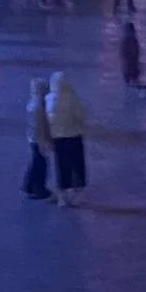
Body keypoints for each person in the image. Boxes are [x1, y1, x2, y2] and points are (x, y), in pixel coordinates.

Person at [45, 71, 88, 204]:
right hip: (74, 135)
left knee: (62, 165)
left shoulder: (49, 98)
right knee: (76, 163)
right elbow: (80, 115)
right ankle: (74, 191)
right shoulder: (72, 98)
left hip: (58, 138)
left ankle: (62, 193)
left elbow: (47, 119)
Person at [23, 78, 54, 200]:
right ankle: (39, 188)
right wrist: (46, 141)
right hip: (38, 139)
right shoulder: (39, 106)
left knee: (35, 162)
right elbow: (41, 126)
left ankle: (29, 185)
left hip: (32, 138)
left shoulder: (32, 103)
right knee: (41, 164)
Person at [119, 20, 143, 87]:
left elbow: (137, 52)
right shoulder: (126, 40)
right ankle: (130, 85)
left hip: (133, 64)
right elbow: (123, 53)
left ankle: (133, 84)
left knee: (133, 77)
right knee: (129, 77)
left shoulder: (133, 39)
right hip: (129, 64)